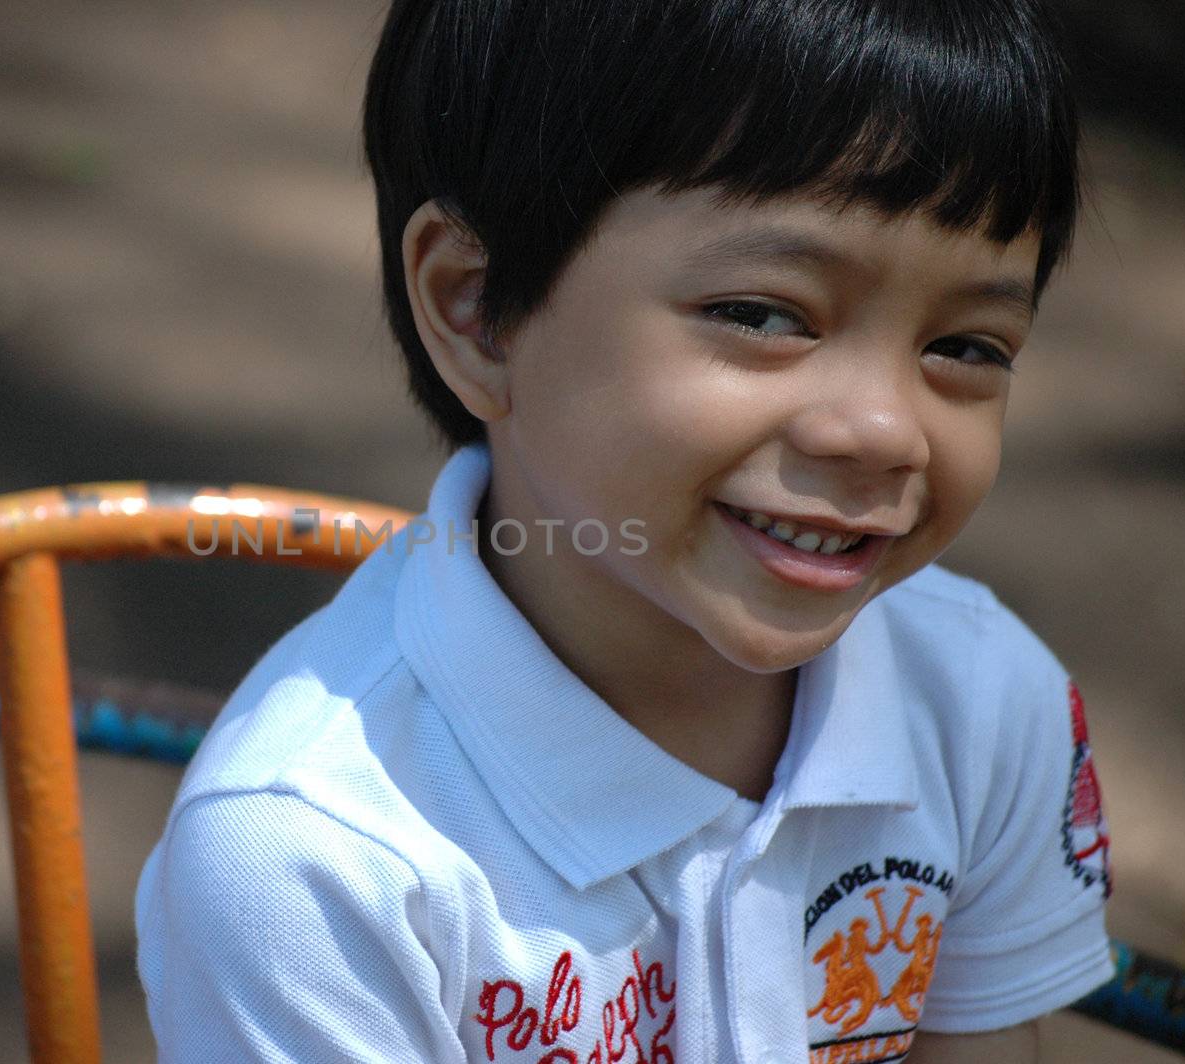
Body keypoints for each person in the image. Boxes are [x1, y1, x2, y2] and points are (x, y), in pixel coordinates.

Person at [136, 0, 1115, 1060]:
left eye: (968, 345)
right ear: (478, 308)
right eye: (762, 314)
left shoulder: (982, 696)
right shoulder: (312, 857)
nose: (884, 430)